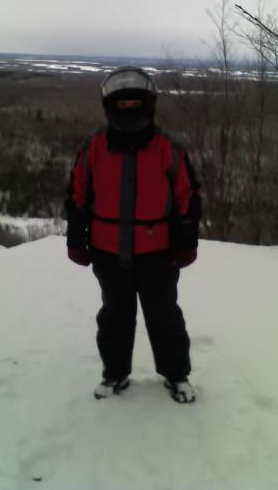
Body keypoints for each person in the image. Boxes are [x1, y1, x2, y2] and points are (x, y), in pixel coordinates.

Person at [65, 66, 202, 404]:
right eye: (121, 104)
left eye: (135, 104)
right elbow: (77, 196)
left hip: (159, 251)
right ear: (109, 106)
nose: (128, 111)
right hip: (107, 250)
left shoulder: (168, 149)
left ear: (149, 105)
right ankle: (115, 374)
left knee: (164, 316)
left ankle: (176, 375)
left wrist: (186, 239)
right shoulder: (94, 148)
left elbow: (188, 196)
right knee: (114, 316)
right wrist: (75, 237)